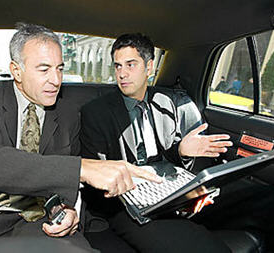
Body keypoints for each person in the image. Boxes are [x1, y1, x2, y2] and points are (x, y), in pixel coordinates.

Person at [0, 24, 162, 251]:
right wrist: (82, 168)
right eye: (44, 69)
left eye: (60, 69)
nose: (55, 81)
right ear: (17, 71)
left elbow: (66, 186)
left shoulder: (68, 113)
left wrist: (67, 210)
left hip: (40, 218)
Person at [80, 33, 234, 252]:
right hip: (125, 204)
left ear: (149, 67)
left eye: (130, 65)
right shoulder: (95, 113)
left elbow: (169, 158)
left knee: (271, 201)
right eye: (117, 66)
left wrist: (183, 151)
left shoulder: (166, 102)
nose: (122, 74)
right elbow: (98, 178)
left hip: (170, 188)